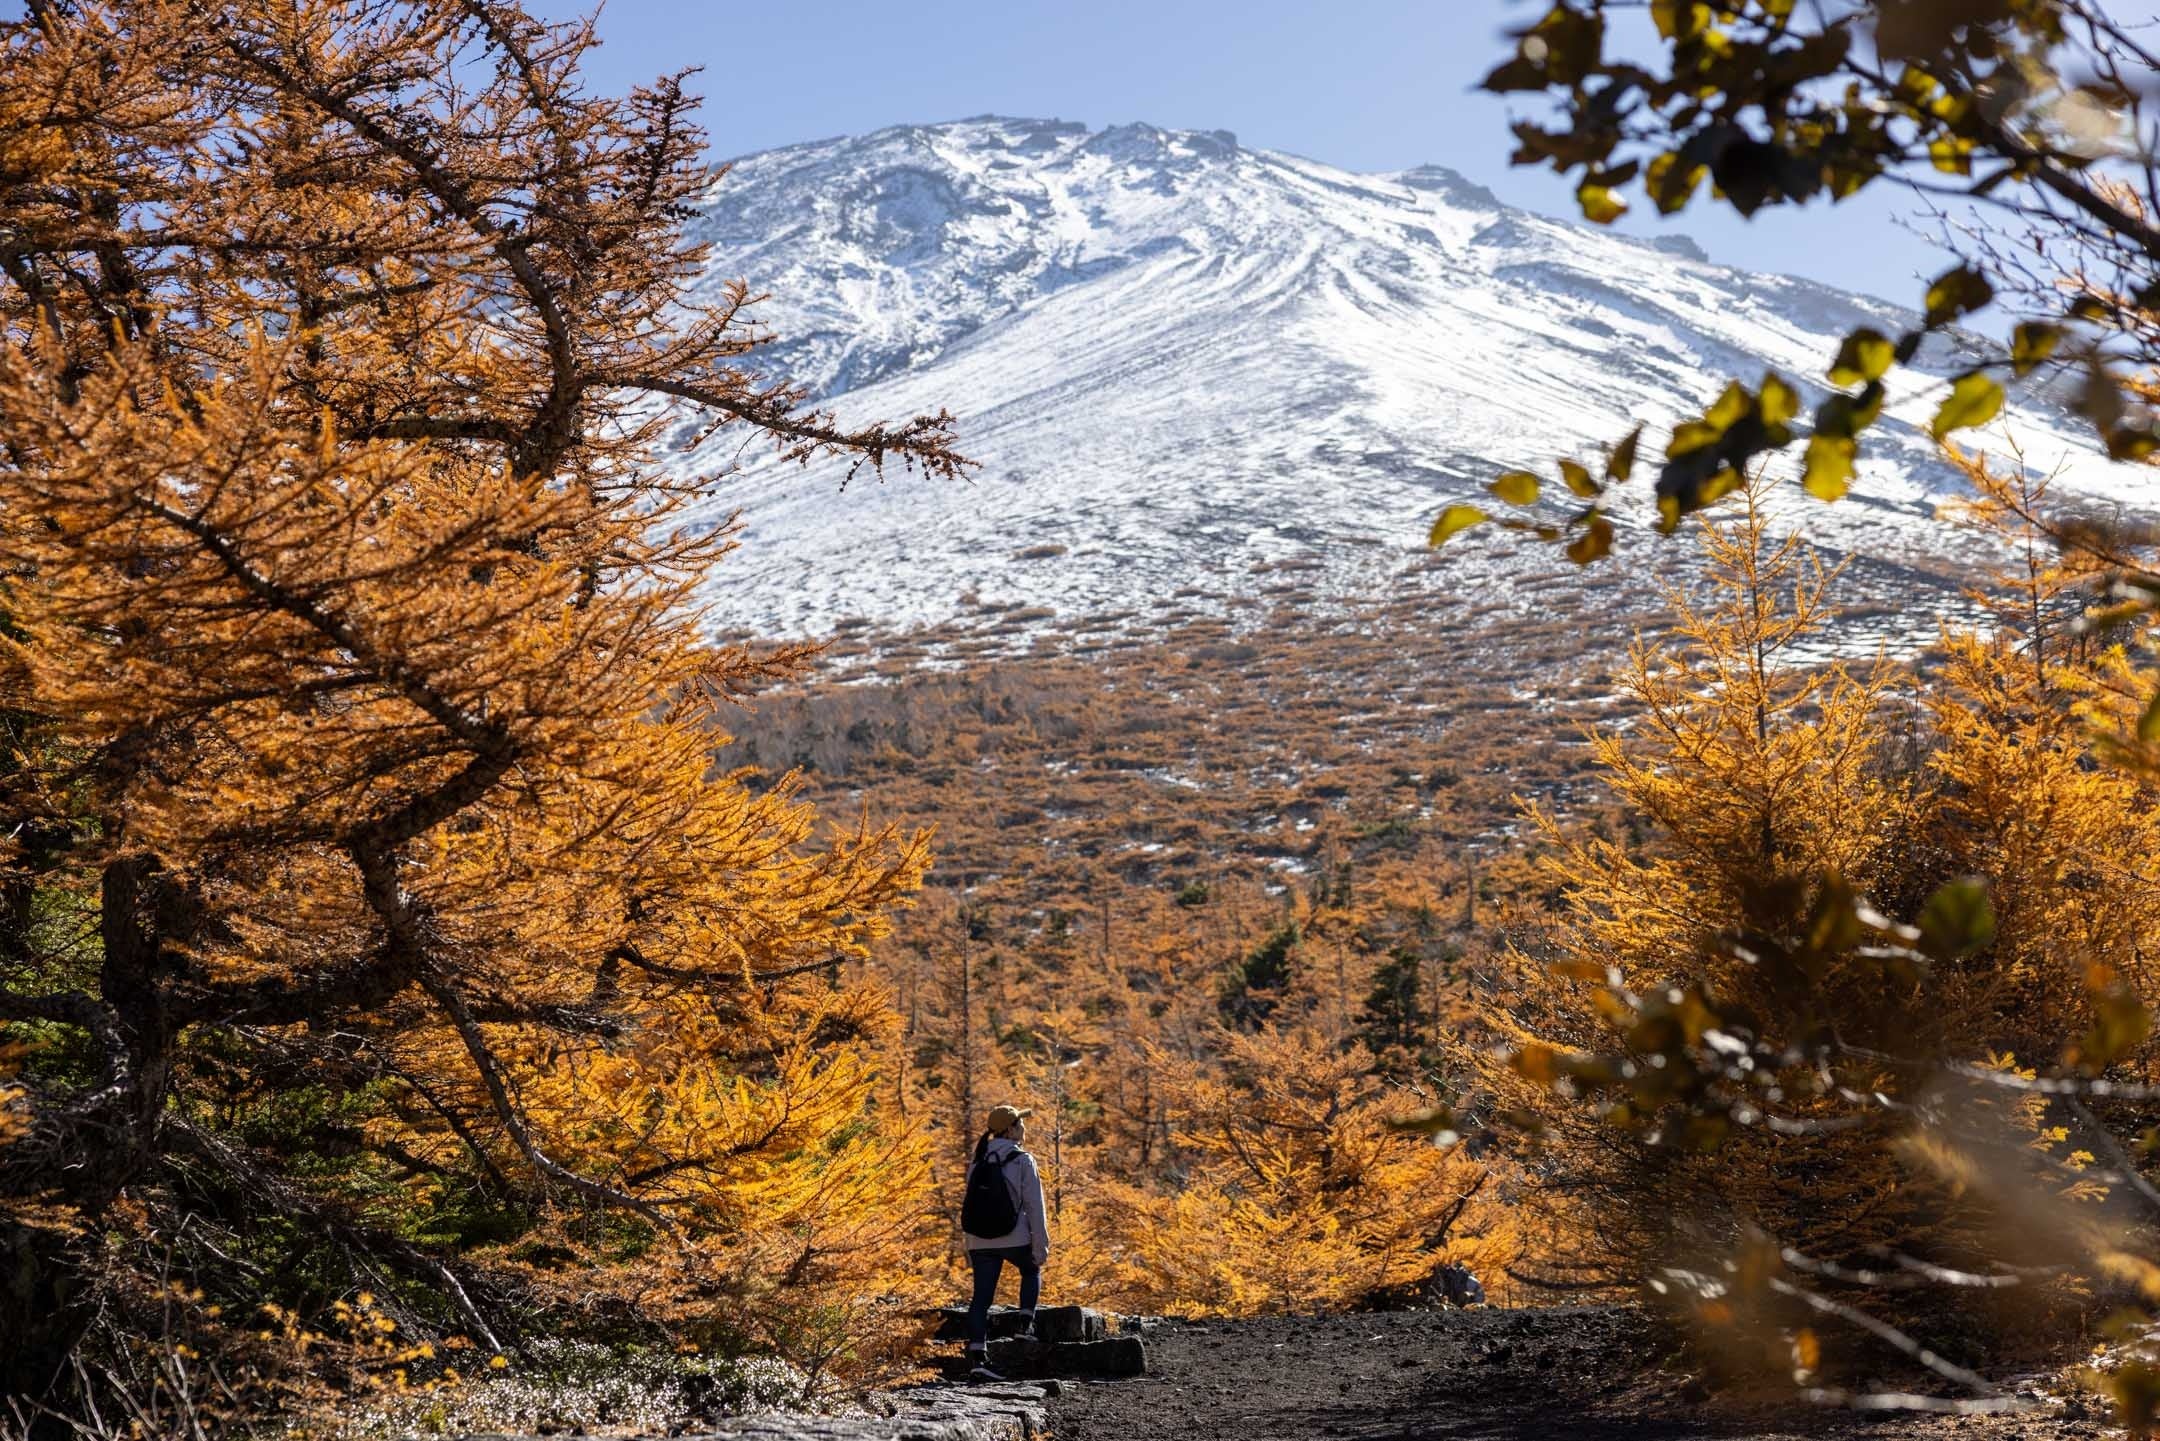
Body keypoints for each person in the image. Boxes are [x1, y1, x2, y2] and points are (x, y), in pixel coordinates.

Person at [961, 1103, 1049, 1381]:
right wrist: (1040, 1244)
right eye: (1020, 1124)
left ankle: (978, 1358)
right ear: (1010, 1130)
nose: (1024, 1127)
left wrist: (970, 1242)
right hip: (1014, 1235)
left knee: (981, 1299)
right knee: (1030, 1269)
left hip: (979, 1239)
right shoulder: (1023, 1160)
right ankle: (1025, 1325)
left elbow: (969, 1202)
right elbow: (1035, 1206)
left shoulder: (978, 1160)